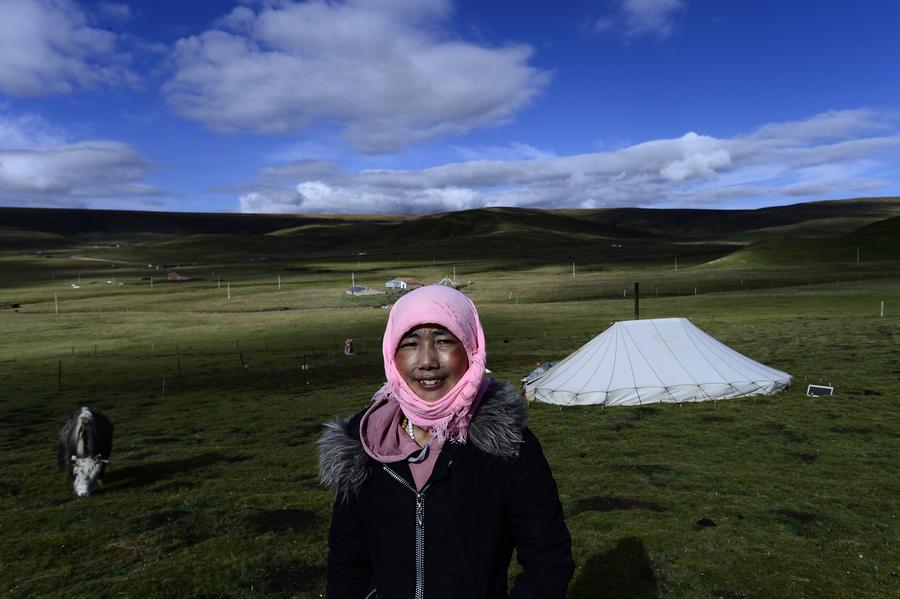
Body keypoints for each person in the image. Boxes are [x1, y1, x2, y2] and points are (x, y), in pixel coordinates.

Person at [319, 285, 574, 598]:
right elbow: (347, 563)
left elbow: (547, 561)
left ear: (469, 348)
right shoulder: (364, 444)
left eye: (443, 341)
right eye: (411, 343)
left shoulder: (507, 445)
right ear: (392, 355)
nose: (427, 361)